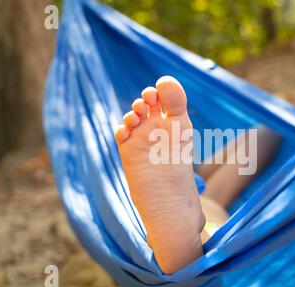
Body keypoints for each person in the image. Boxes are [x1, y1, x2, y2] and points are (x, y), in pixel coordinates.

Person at [114, 76, 280, 274]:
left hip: (190, 187)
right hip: (200, 196)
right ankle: (194, 240)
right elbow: (265, 134)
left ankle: (189, 241)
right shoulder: (202, 182)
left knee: (266, 133)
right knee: (266, 133)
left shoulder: (198, 173)